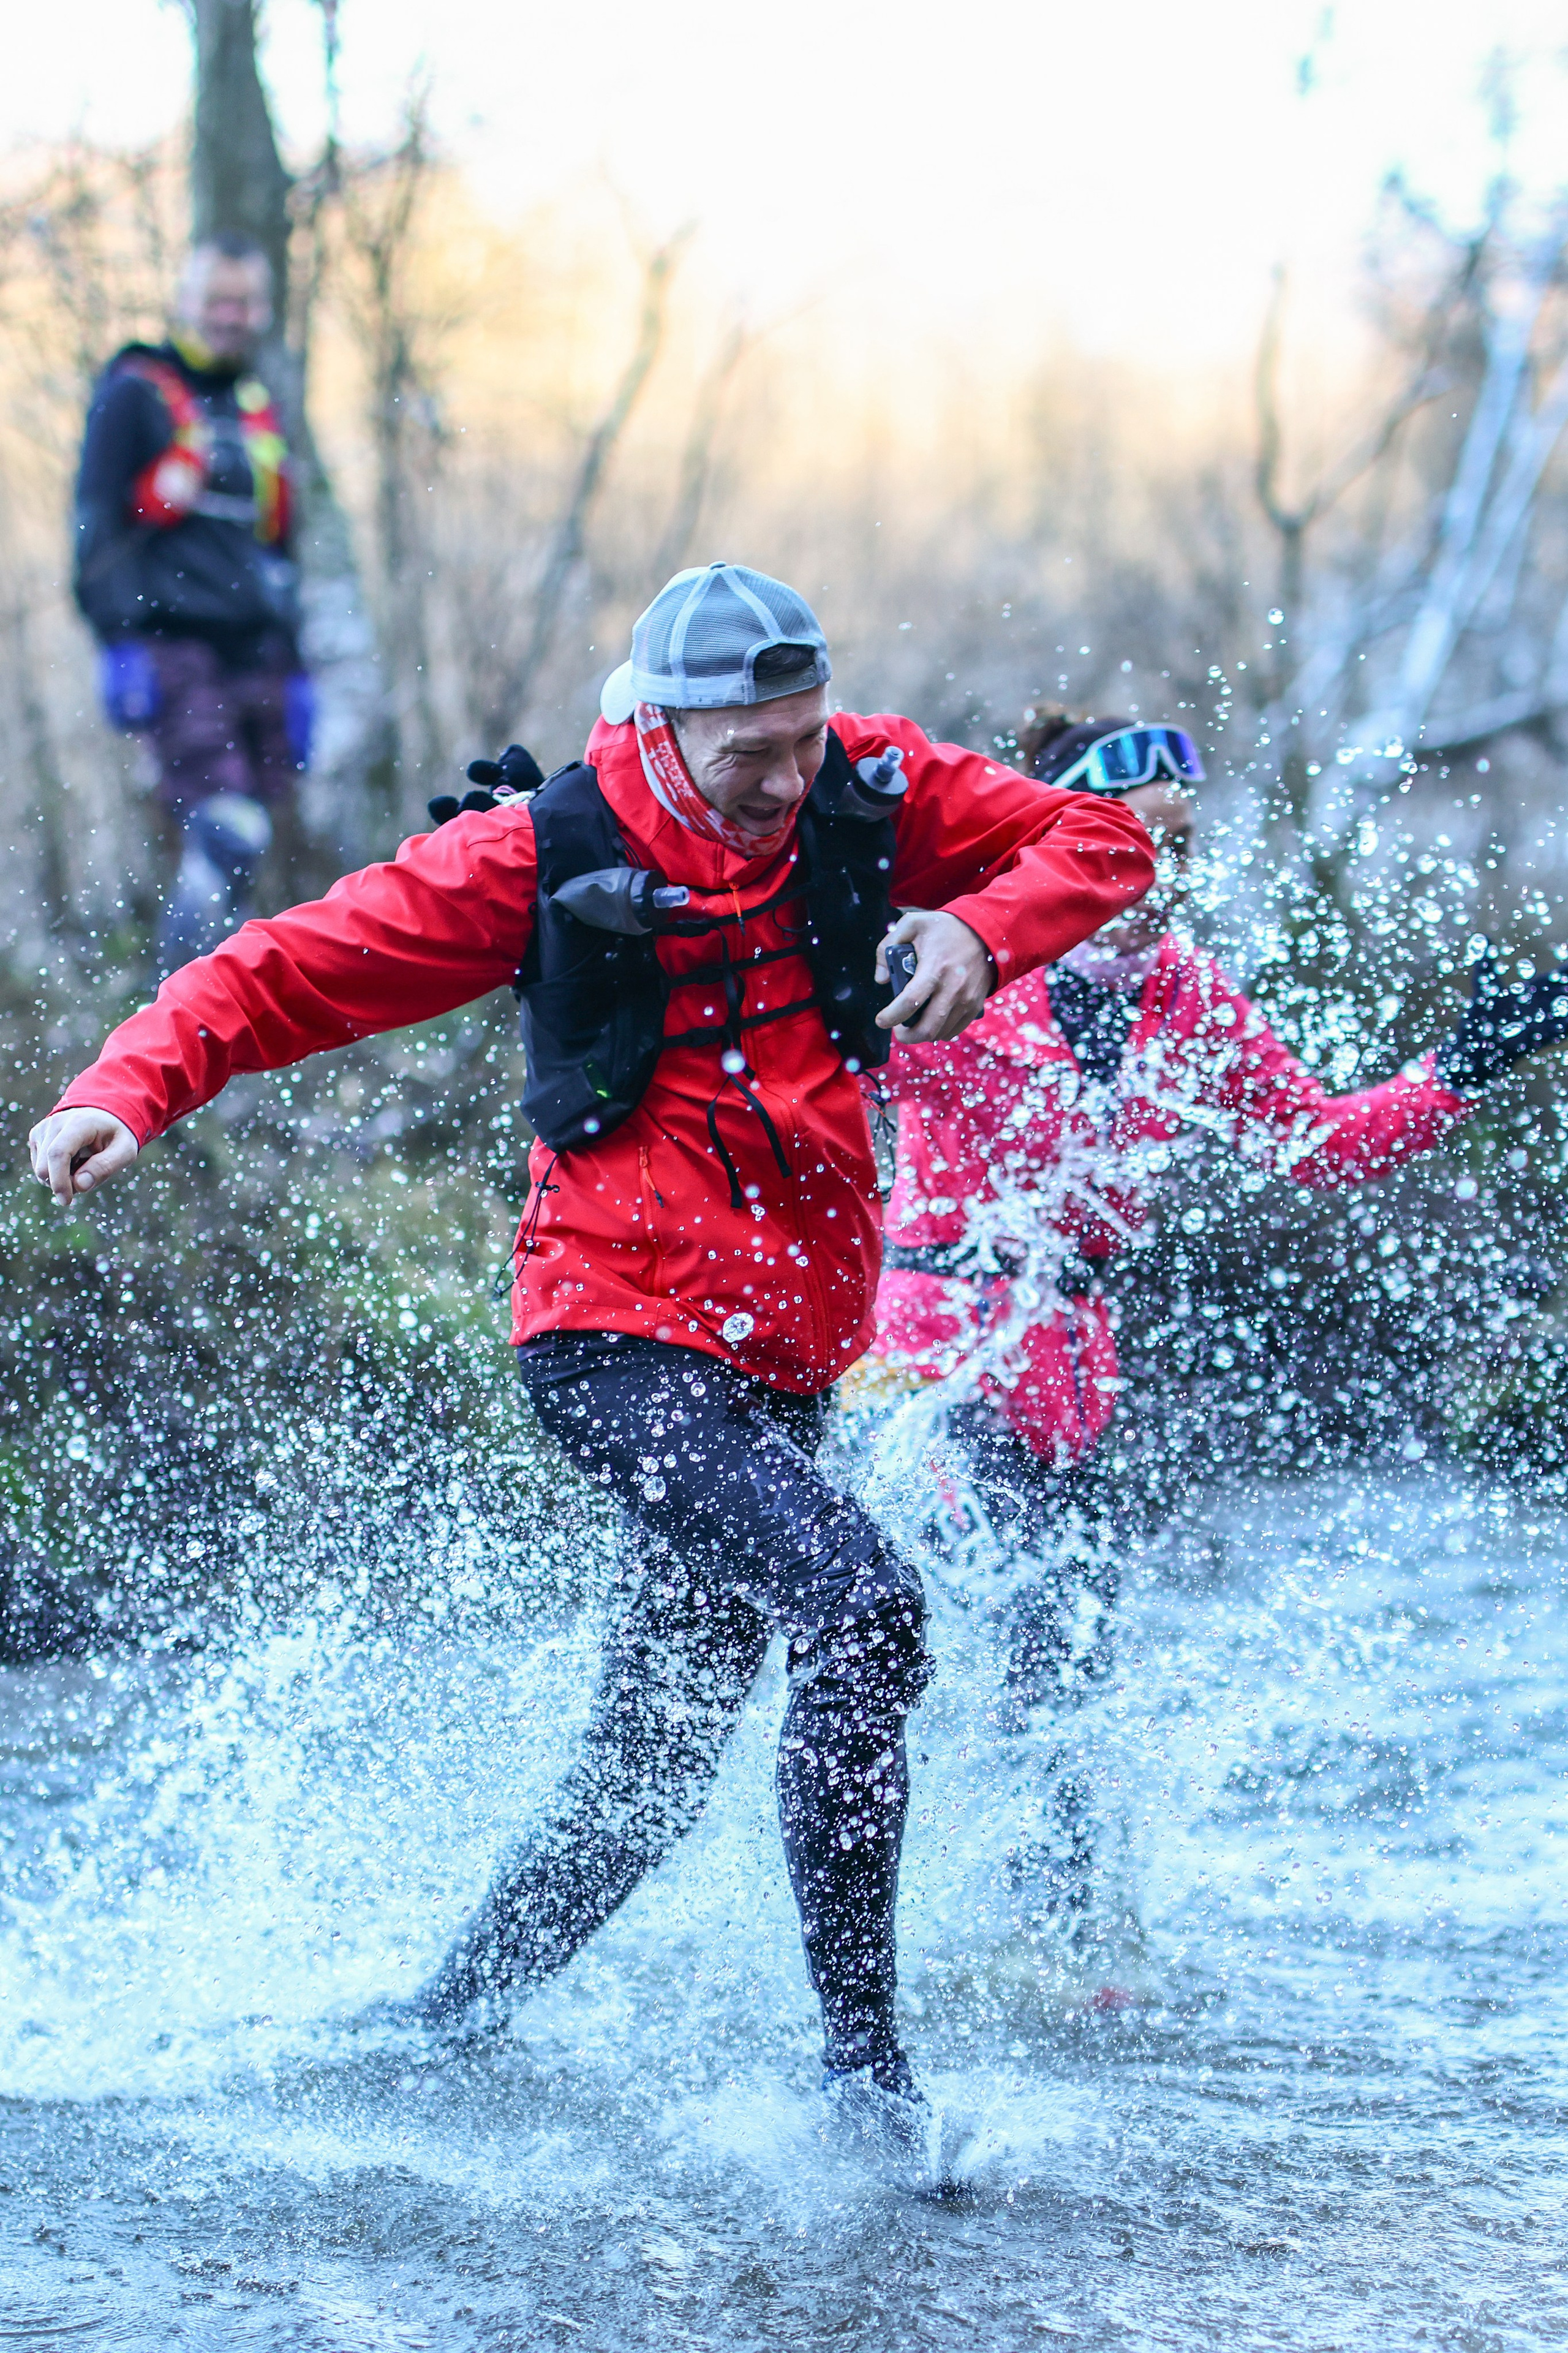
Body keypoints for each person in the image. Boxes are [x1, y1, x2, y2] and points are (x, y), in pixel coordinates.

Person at [28, 568, 1154, 2158]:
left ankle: (435, 2023)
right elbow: (284, 969)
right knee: (865, 1610)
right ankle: (868, 2088)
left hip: (782, 1358)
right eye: (749, 754)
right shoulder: (539, 855)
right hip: (612, 1338)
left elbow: (1104, 841)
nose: (787, 780)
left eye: (804, 739)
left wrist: (981, 925)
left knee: (652, 1768)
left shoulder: (868, 786)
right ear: (660, 726)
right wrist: (122, 1090)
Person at [854, 707, 1568, 1936]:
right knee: (1029, 1623)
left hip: (1070, 1377)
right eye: (1135, 842)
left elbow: (1316, 1147)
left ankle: (1051, 1934)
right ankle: (931, 1899)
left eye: (1180, 847)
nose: (1158, 875)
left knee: (1078, 1651)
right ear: (1058, 846)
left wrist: (1457, 1066)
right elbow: (807, 1071)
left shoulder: (1185, 992)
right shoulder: (962, 955)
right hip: (932, 1360)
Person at [73, 232, 311, 975]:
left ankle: (217, 1009)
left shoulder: (256, 407)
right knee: (226, 827)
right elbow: (93, 524)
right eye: (216, 300)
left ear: (262, 309)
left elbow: (280, 550)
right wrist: (117, 641)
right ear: (185, 301)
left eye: (244, 302)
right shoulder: (135, 395)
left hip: (258, 651)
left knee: (249, 845)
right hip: (172, 644)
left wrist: (298, 666)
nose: (230, 316)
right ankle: (175, 1011)